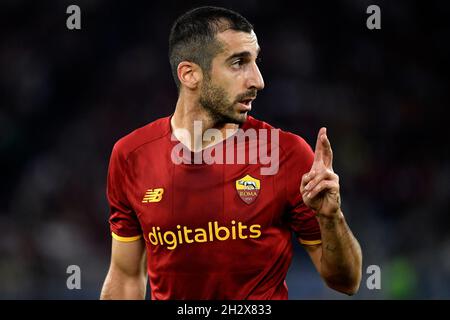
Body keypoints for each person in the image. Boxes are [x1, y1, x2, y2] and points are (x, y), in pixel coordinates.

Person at [100, 6, 362, 300]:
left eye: (255, 61)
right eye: (239, 63)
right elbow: (125, 278)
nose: (258, 81)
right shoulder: (131, 156)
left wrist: (331, 217)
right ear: (189, 75)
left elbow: (346, 282)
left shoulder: (286, 154)